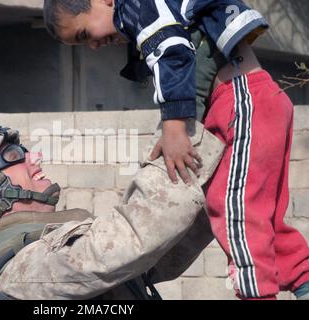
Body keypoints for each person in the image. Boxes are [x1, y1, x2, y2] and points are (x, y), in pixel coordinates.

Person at [42, 0, 309, 299]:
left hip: (242, 101)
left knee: (234, 209)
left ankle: (257, 295)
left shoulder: (141, 7)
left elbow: (174, 52)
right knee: (261, 214)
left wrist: (175, 126)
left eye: (84, 35)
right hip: (251, 101)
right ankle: (304, 282)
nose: (92, 46)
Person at [0, 121, 225, 300]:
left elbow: (159, 254)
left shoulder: (38, 251)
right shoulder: (21, 272)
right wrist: (182, 127)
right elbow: (136, 236)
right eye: (13, 156)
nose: (34, 157)